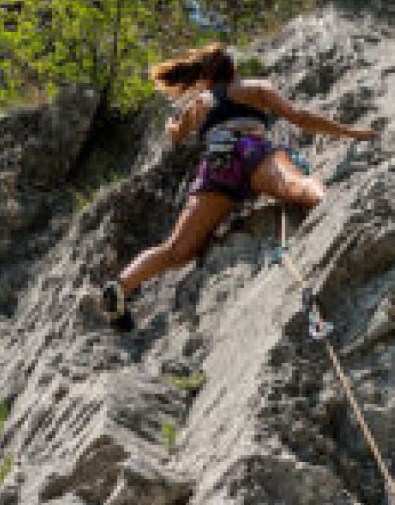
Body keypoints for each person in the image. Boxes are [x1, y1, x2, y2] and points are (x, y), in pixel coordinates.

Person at [102, 42, 378, 329]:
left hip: (217, 167)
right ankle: (331, 205)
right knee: (296, 185)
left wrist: (171, 125)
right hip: (250, 149)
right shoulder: (255, 87)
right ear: (233, 69)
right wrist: (350, 132)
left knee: (176, 249)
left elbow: (175, 135)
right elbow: (298, 116)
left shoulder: (198, 104)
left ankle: (121, 287)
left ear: (205, 76)